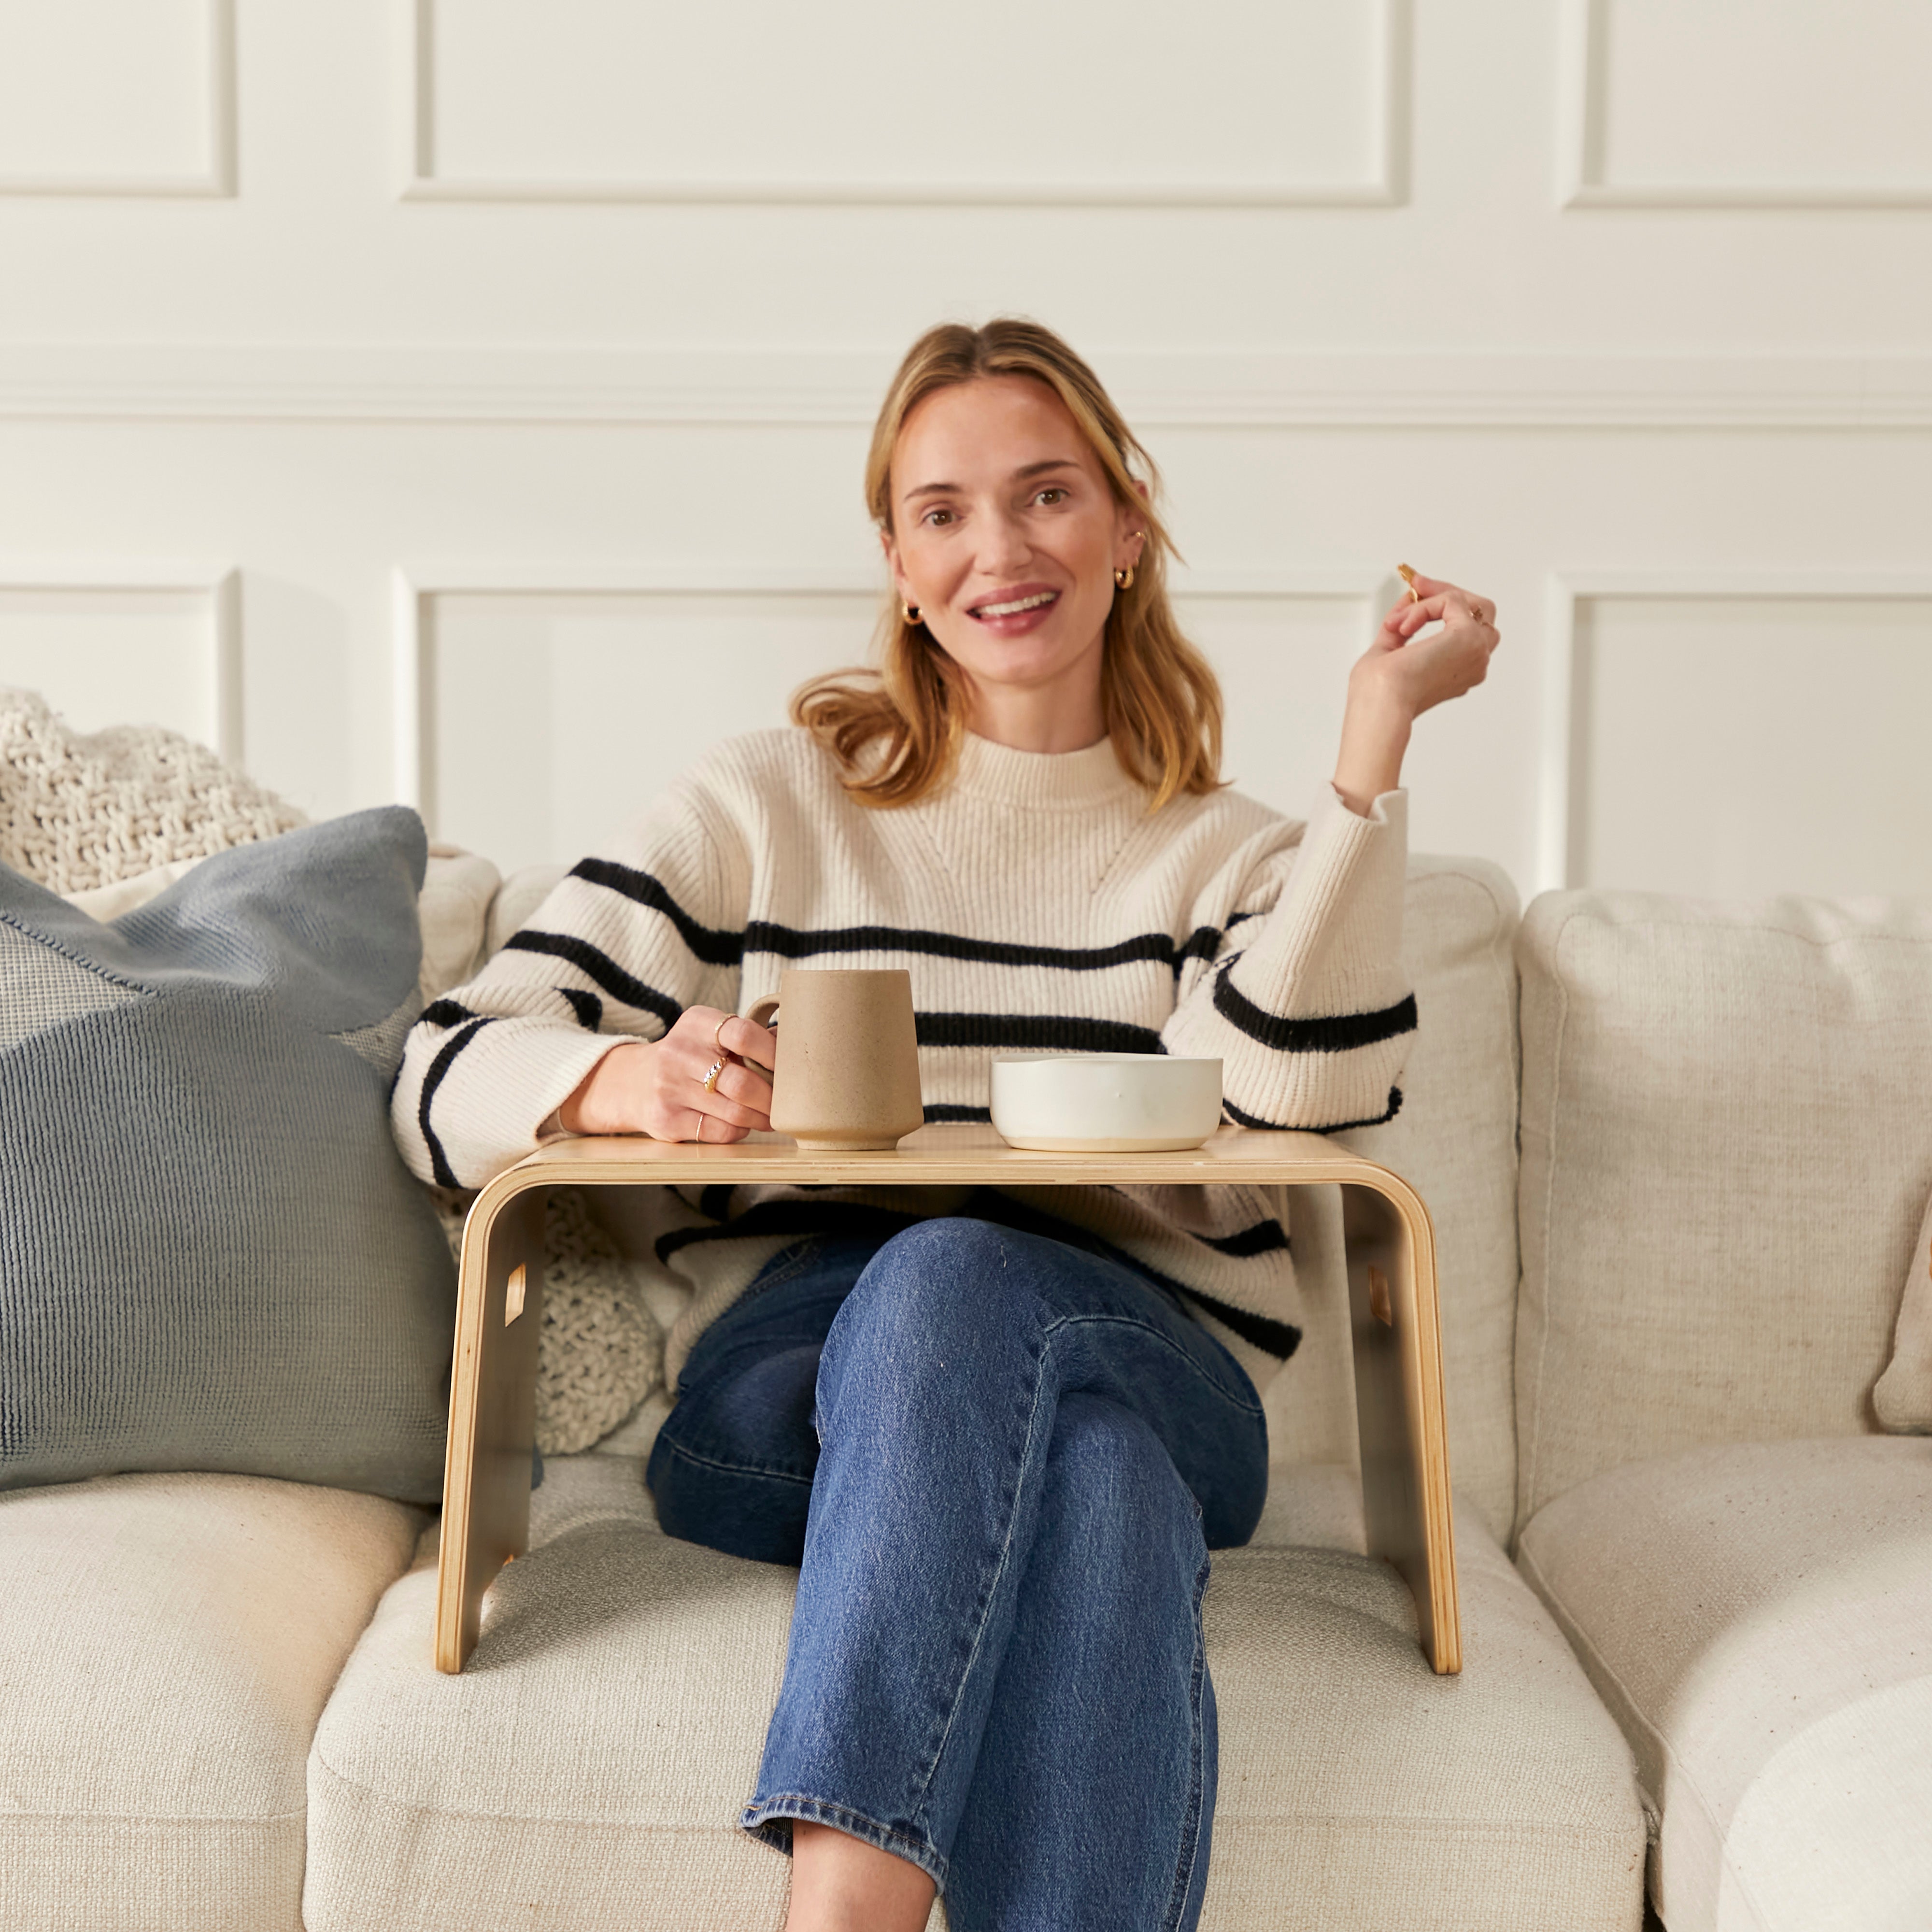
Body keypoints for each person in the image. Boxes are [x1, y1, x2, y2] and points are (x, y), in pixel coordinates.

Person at [393, 317, 1498, 1932]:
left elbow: (1302, 1095)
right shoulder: (769, 805)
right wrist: (624, 1083)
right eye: (943, 512)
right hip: (791, 1403)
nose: (1000, 550)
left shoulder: (1241, 861)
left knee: (993, 1305)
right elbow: (439, 1069)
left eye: (1048, 496)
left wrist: (1370, 754)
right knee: (1059, 1435)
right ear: (899, 563)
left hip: (1163, 1363)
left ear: (1129, 525)